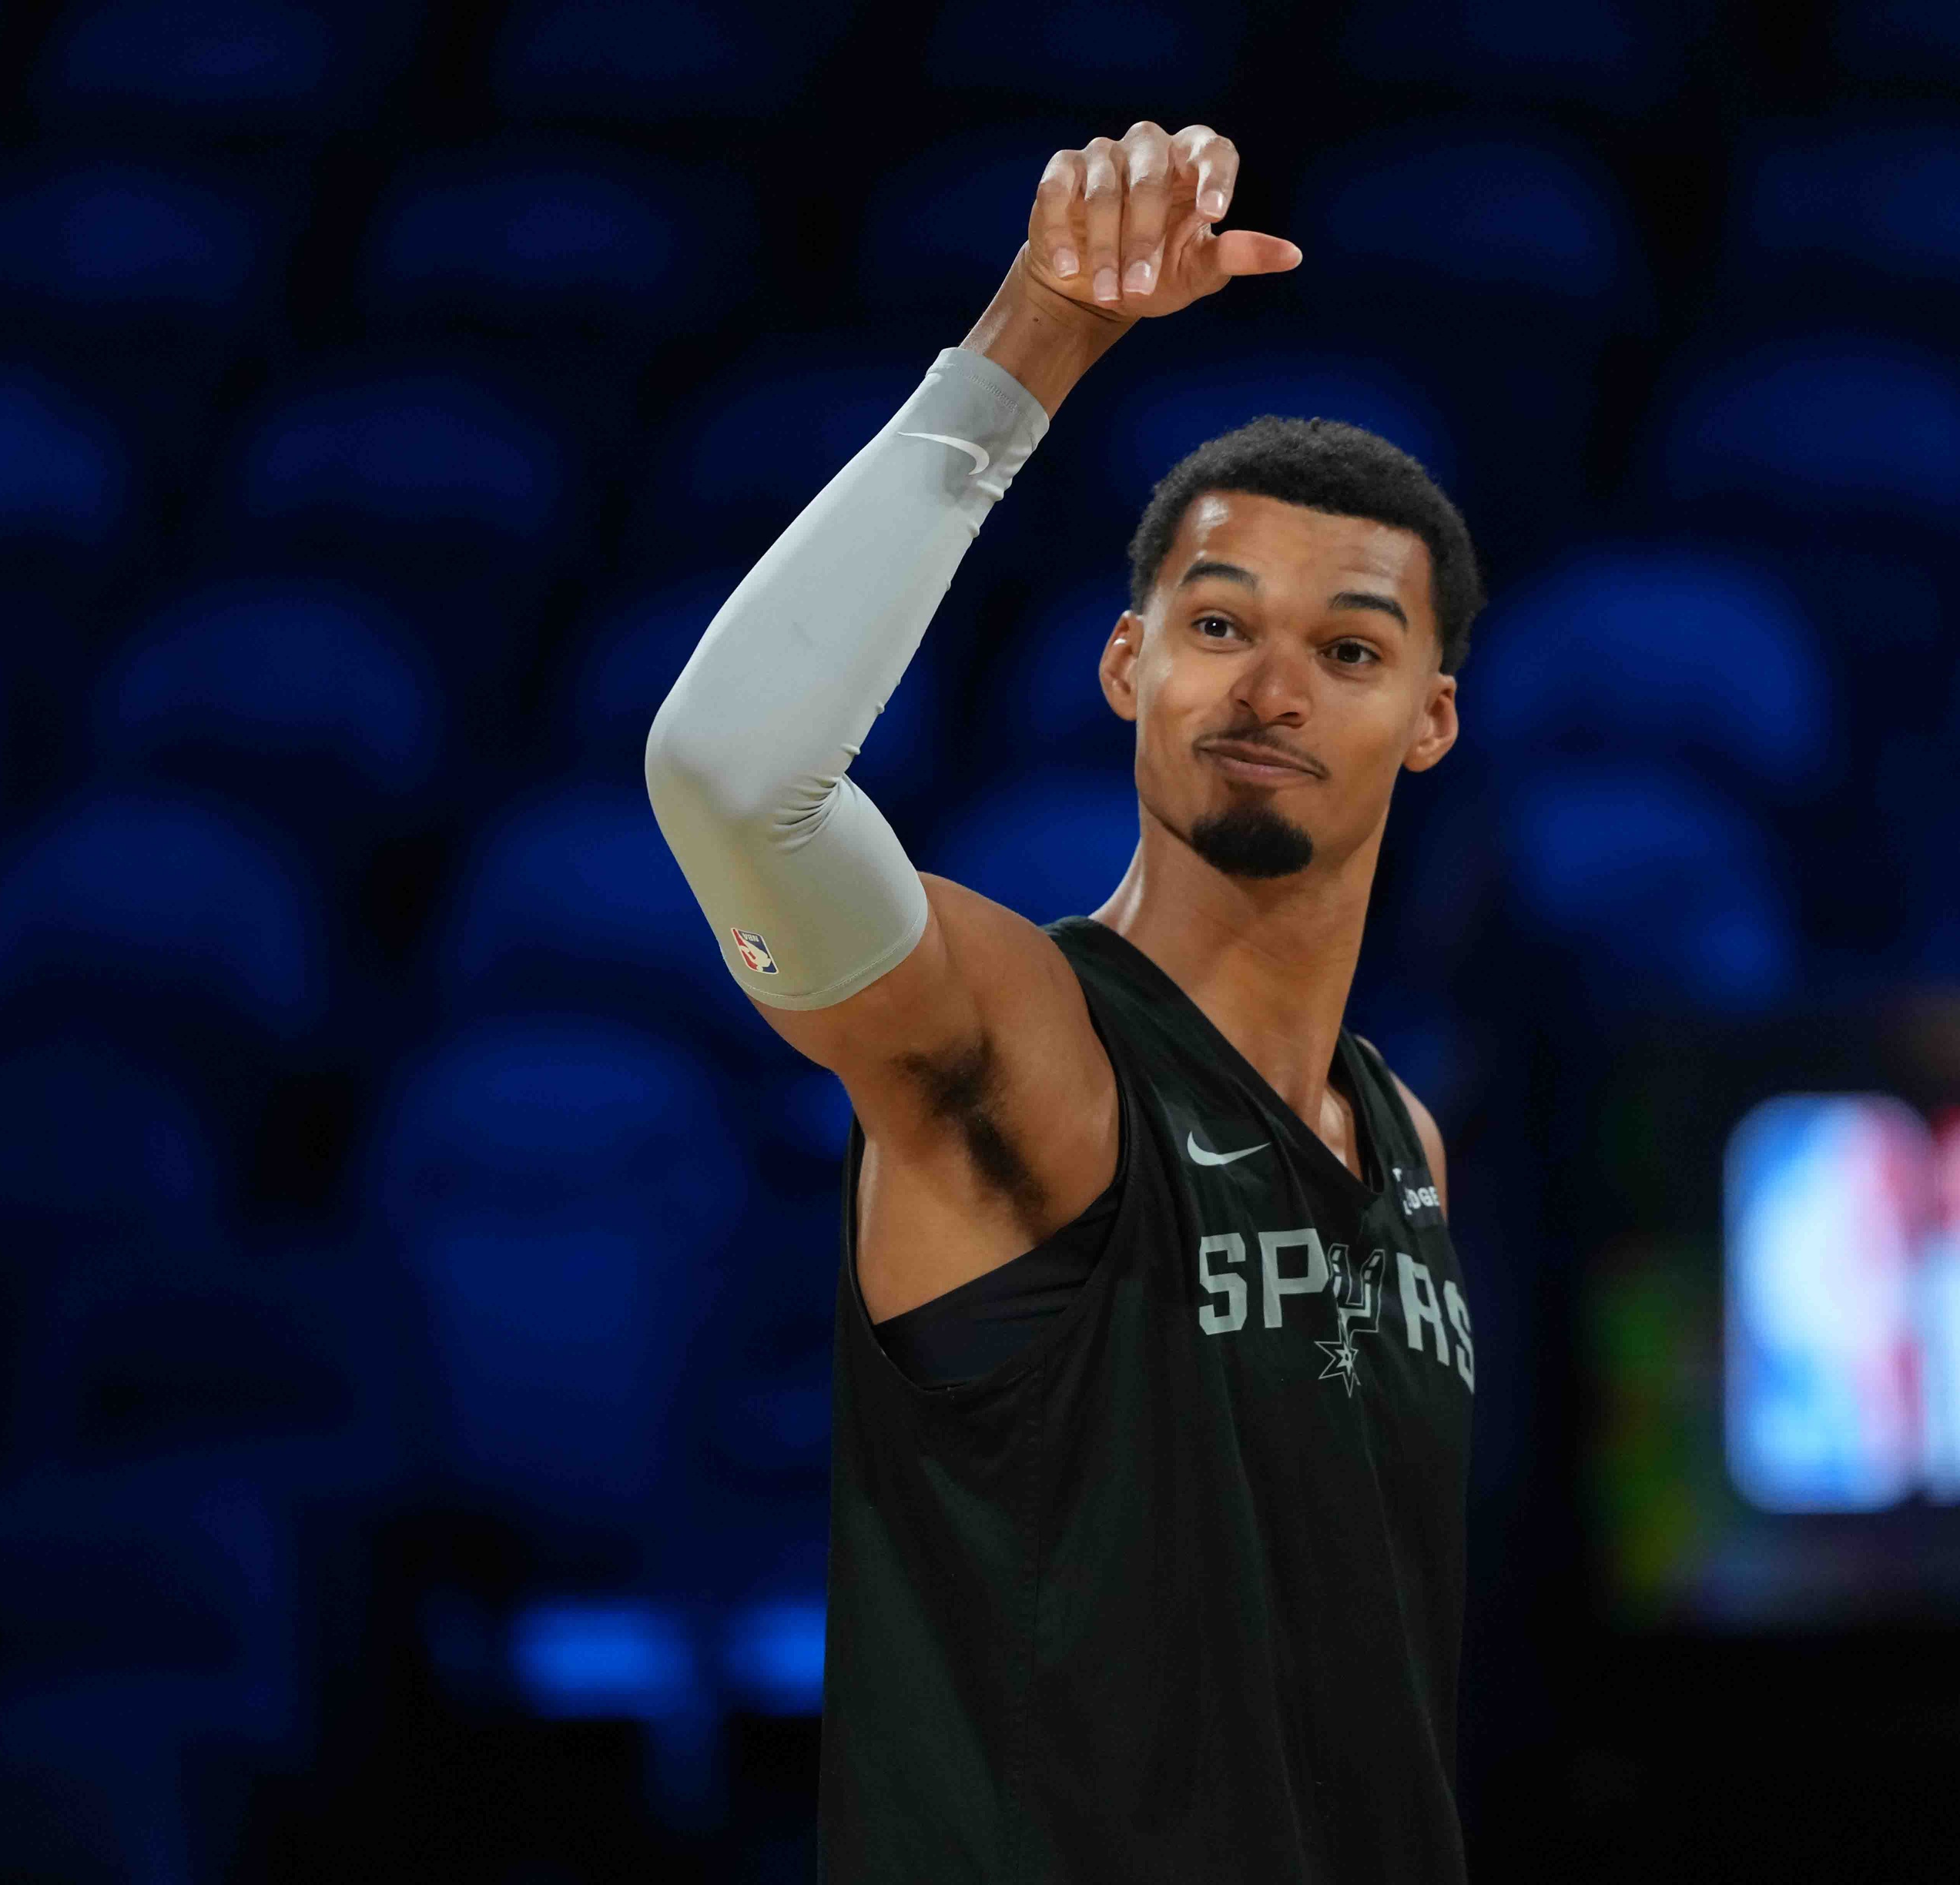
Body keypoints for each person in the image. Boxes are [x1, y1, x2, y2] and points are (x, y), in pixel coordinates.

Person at [646, 119, 1480, 1882]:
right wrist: (1042, 330)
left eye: (1347, 650)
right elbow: (733, 774)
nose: (1269, 686)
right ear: (1127, 666)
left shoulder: (1404, 1137)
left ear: (1429, 719)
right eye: (1215, 623)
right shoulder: (1034, 1042)